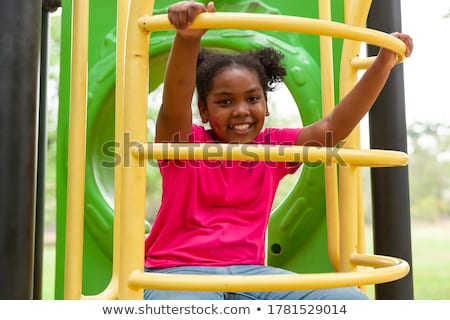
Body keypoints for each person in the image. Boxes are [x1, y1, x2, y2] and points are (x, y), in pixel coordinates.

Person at [144, 1, 413, 300]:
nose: (241, 111)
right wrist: (187, 38)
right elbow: (174, 102)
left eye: (252, 98)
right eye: (225, 102)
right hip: (177, 271)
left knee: (349, 301)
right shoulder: (184, 145)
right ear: (203, 111)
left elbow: (333, 128)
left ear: (266, 105)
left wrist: (383, 63)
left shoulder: (273, 148)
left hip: (250, 275)